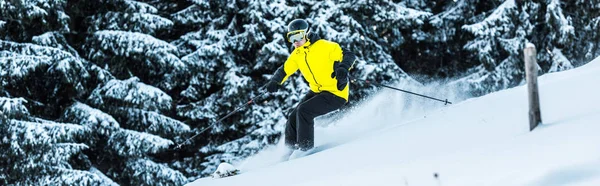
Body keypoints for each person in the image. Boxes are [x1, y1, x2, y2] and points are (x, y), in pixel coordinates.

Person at [261, 19, 356, 152]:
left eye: (298, 36)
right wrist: (275, 82)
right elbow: (284, 70)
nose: (296, 41)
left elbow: (349, 55)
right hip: (317, 91)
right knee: (293, 116)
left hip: (335, 93)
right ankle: (289, 151)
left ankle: (305, 150)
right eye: (291, 37)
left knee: (304, 111)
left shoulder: (325, 46)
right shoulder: (297, 54)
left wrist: (343, 68)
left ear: (307, 34)